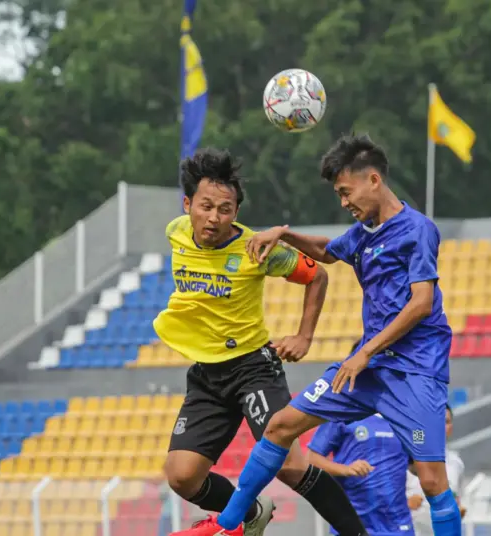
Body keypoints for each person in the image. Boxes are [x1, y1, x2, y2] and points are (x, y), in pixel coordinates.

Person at [173, 133, 462, 536]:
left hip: (414, 372)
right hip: (368, 366)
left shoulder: (417, 230)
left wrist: (363, 353)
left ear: (373, 180)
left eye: (346, 192)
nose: (344, 202)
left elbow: (421, 303)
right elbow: (327, 251)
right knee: (280, 426)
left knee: (432, 482)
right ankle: (229, 526)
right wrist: (283, 232)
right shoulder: (366, 232)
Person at [157, 147, 370, 536]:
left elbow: (317, 276)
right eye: (206, 206)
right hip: (207, 375)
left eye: (226, 209)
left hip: (253, 369)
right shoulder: (176, 233)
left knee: (290, 465)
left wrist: (304, 336)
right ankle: (252, 513)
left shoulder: (256, 249)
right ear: (188, 204)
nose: (214, 217)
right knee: (181, 477)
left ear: (236, 212)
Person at [306, 342, 414, 536]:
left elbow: (420, 461)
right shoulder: (342, 412)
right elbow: (312, 458)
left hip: (398, 526)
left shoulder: (406, 417)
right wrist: (345, 469)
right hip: (352, 523)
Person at [407, 406, 466, 536]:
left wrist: (457, 510)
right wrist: (406, 504)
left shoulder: (457, 464)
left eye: (446, 421)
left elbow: (457, 499)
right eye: (436, 421)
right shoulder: (407, 459)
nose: (441, 426)